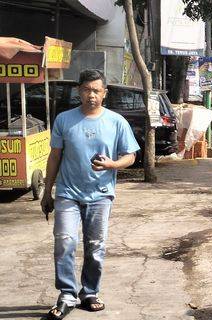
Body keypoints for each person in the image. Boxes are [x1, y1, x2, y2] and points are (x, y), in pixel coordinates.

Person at [40, 69, 140, 319]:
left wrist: (112, 165)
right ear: (79, 91)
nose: (91, 95)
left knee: (95, 247)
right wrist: (47, 191)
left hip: (101, 194)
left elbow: (130, 156)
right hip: (68, 193)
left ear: (104, 93)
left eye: (96, 90)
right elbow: (55, 156)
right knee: (64, 241)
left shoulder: (116, 122)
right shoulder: (64, 120)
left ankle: (89, 292)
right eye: (86, 89)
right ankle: (66, 294)